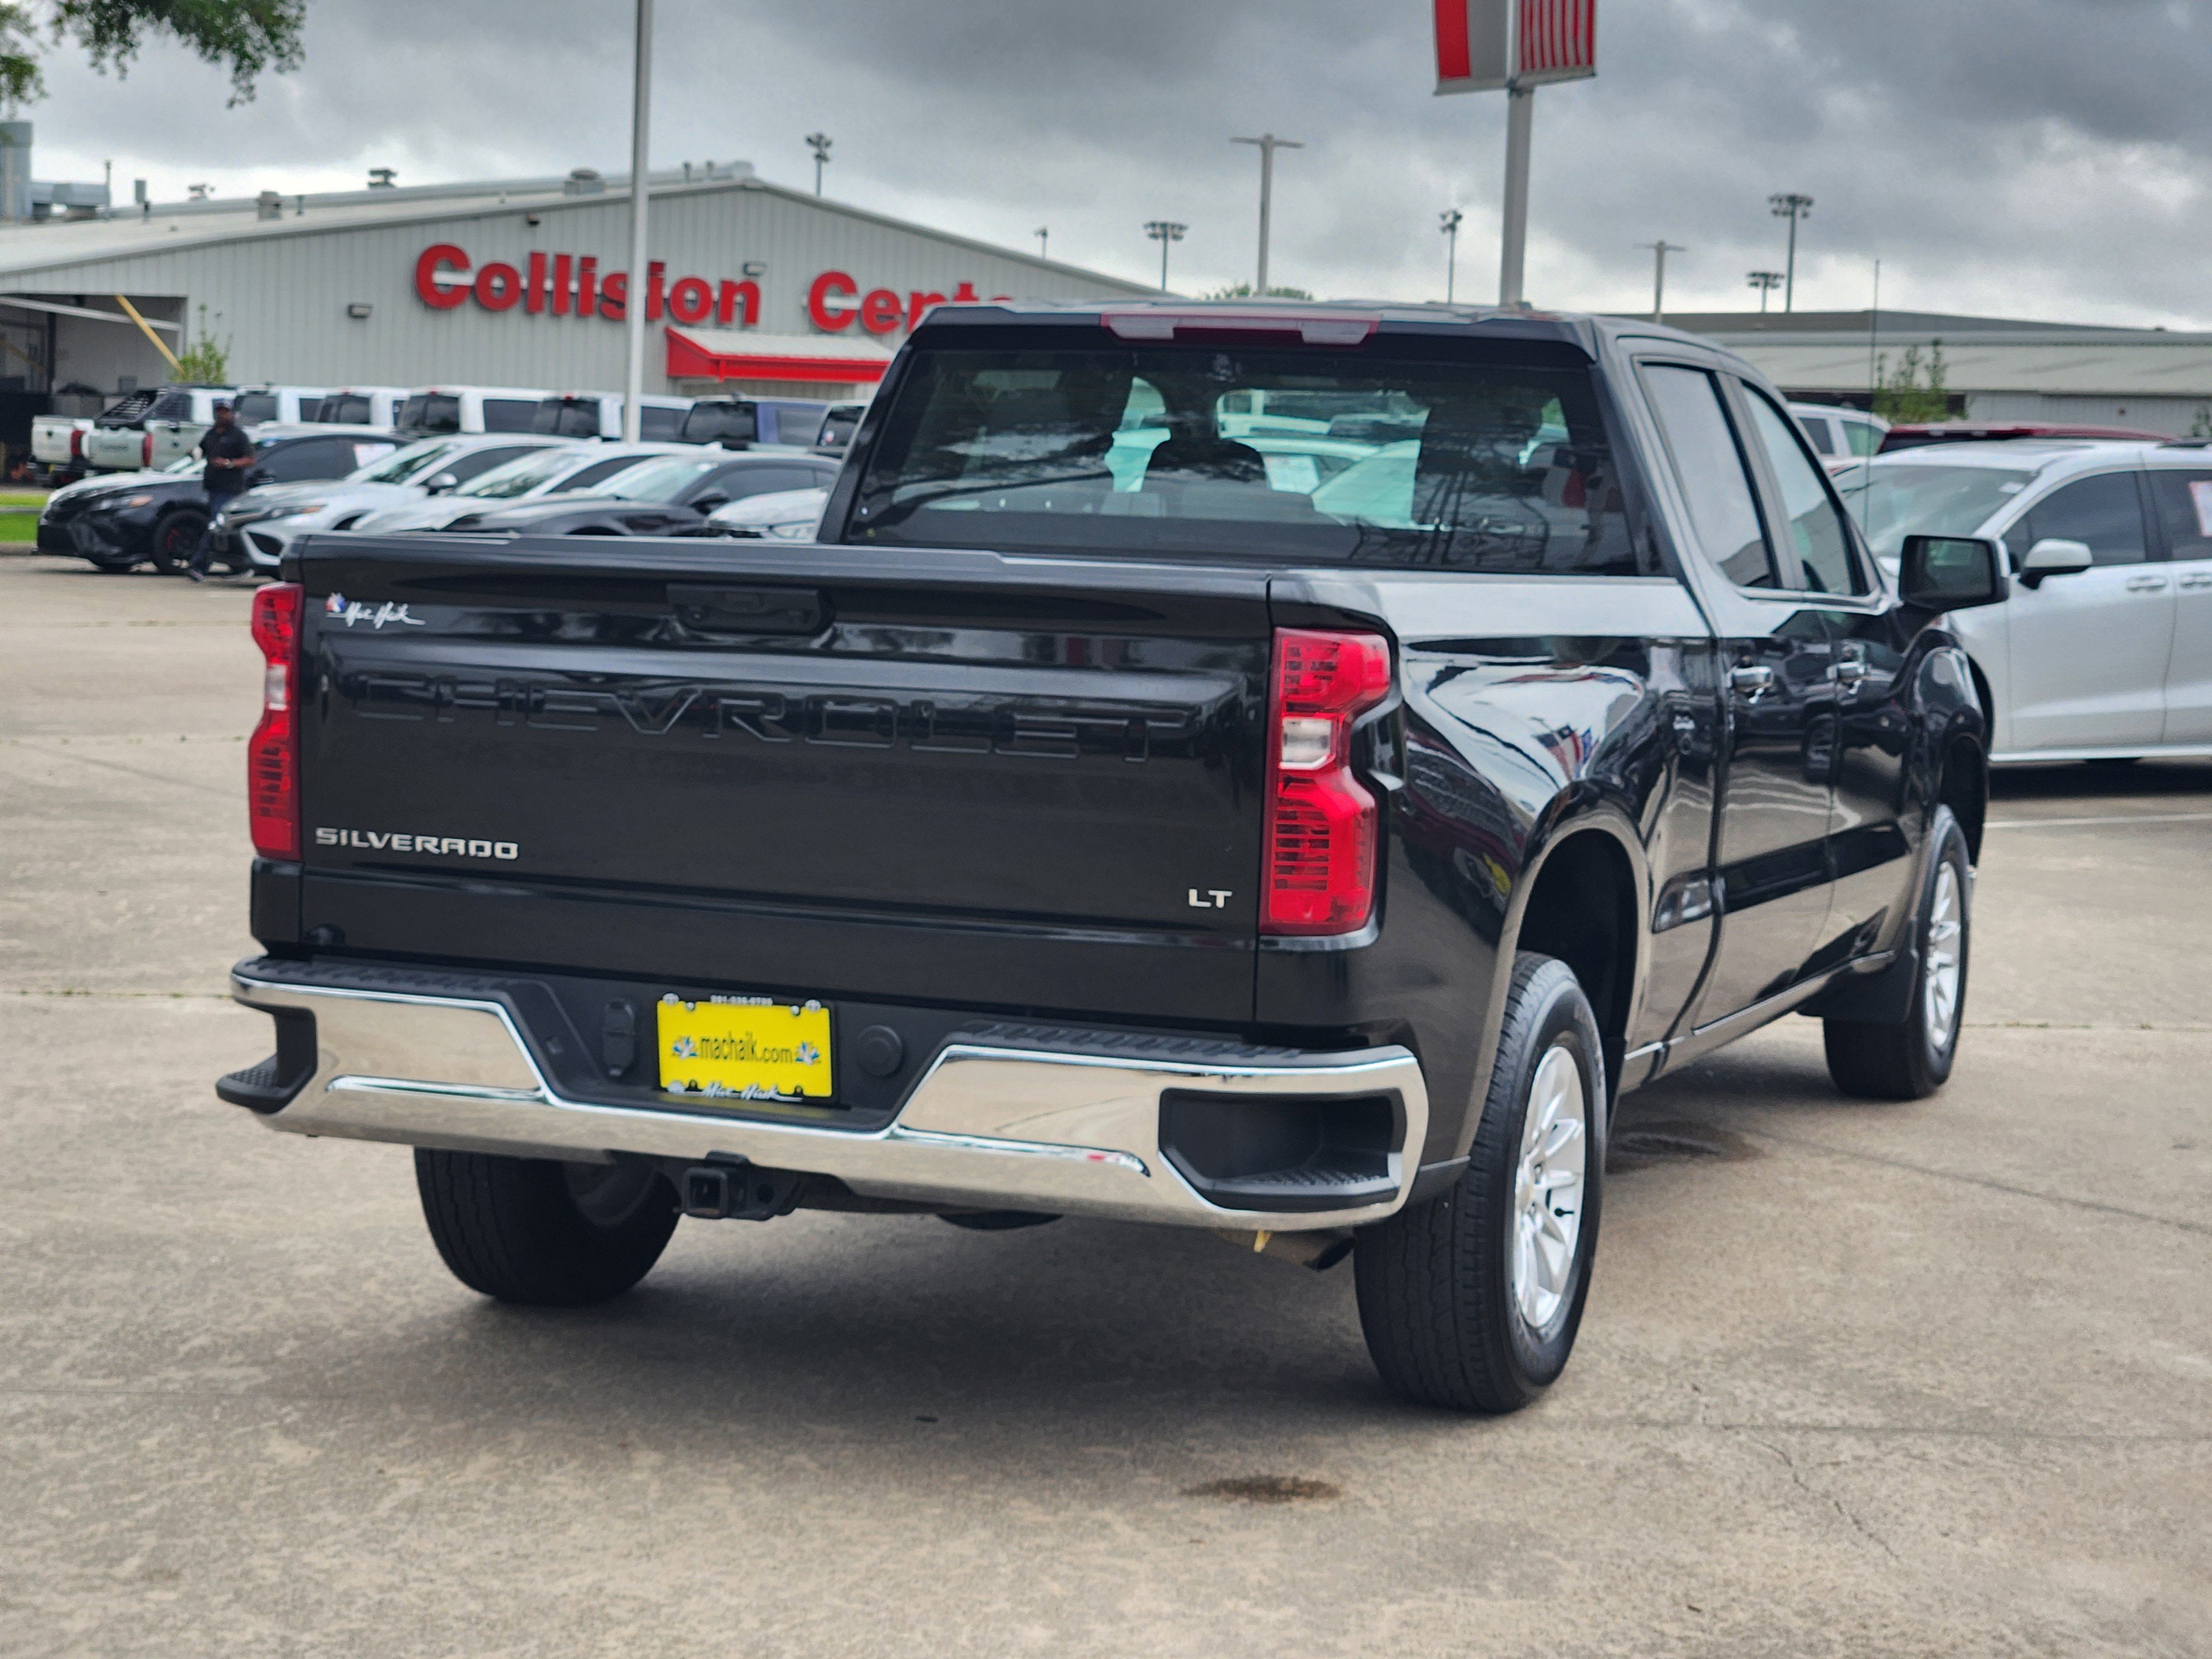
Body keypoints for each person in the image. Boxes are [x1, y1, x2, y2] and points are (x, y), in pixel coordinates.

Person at [186, 400, 255, 580]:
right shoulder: (211, 435)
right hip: (213, 489)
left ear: (232, 414)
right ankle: (242, 565)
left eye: (226, 412)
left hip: (230, 490)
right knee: (223, 529)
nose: (222, 415)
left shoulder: (238, 436)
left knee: (215, 526)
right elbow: (200, 451)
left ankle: (199, 566)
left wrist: (229, 463)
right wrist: (192, 453)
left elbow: (249, 459)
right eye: (219, 411)